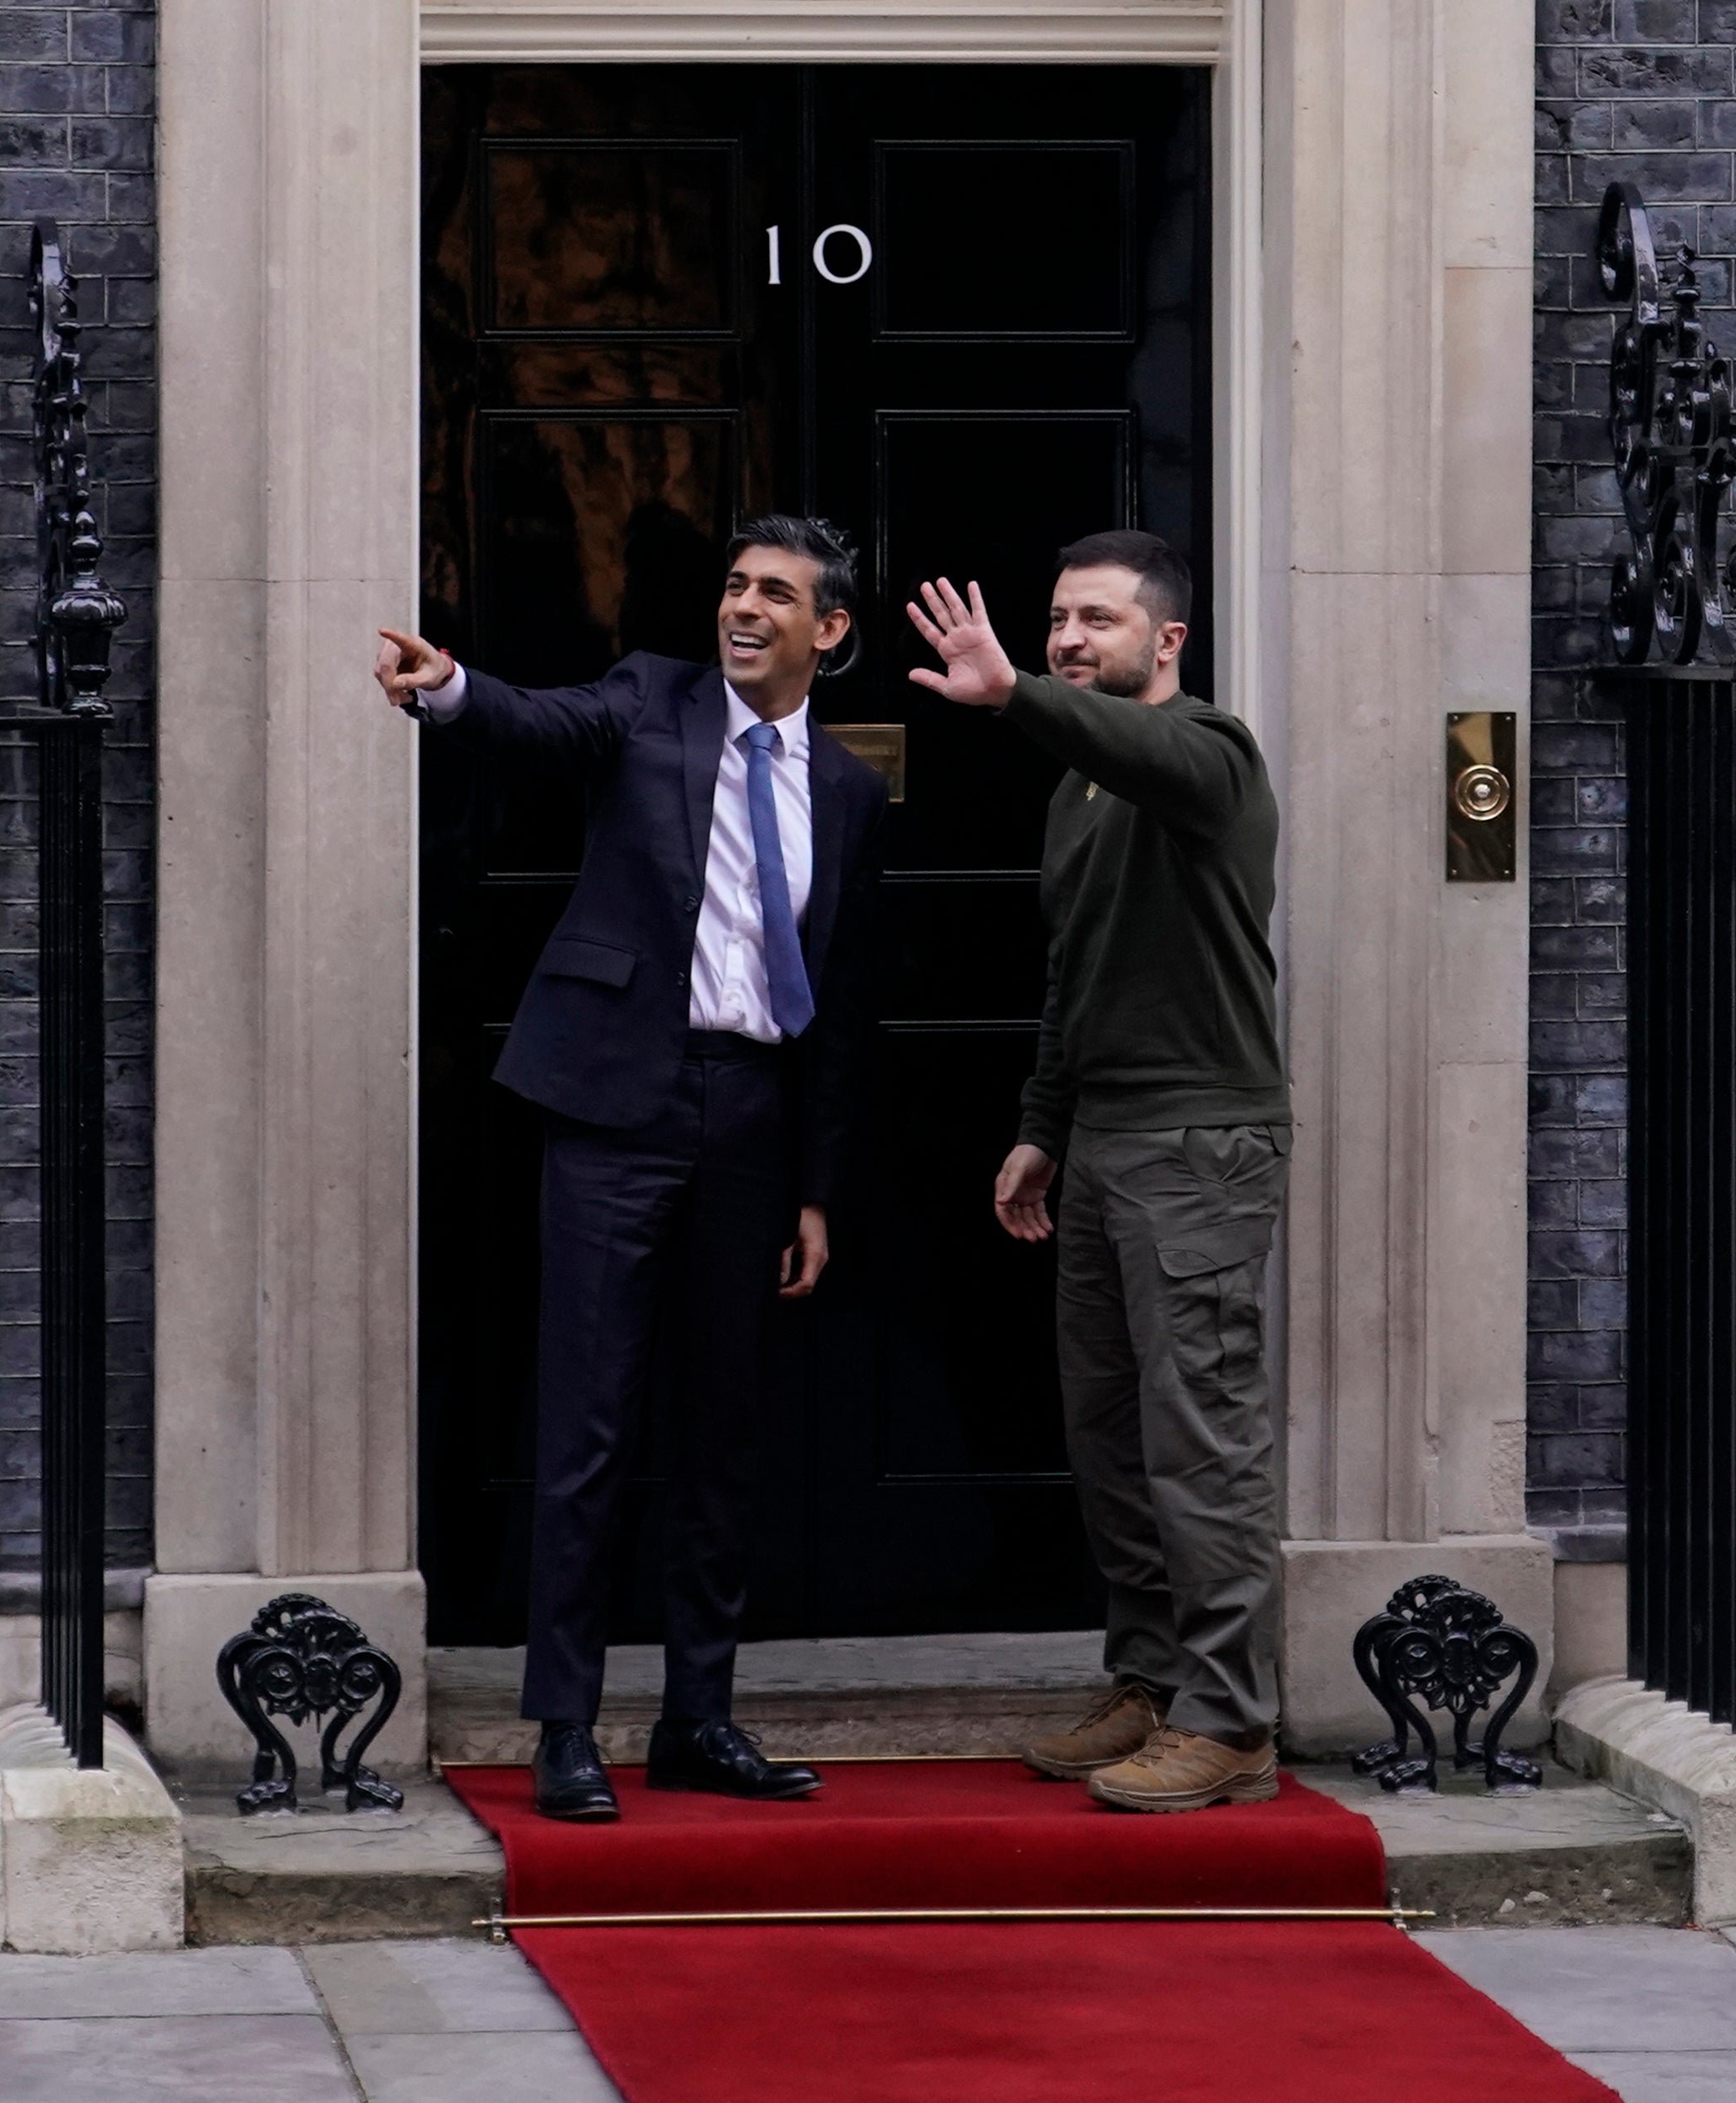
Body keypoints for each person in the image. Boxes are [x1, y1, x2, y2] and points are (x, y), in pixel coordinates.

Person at [376, 515, 892, 1822]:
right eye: (735, 584)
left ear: (829, 629)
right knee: (589, 1424)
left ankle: (698, 1717)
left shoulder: (844, 788)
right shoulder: (651, 698)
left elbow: (842, 1002)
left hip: (754, 1118)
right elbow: (540, 722)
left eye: (777, 593)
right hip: (617, 1104)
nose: (746, 607)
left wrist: (816, 1187)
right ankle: (566, 1724)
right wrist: (449, 692)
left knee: (721, 1433)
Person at [904, 532, 1285, 1812]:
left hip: (1201, 1147)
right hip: (1108, 1138)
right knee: (1112, 1440)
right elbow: (1073, 973)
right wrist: (1040, 1123)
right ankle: (1154, 1680)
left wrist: (1017, 693)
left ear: (1166, 641)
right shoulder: (1075, 789)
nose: (1069, 638)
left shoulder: (1211, 755)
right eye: (1057, 618)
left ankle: (1233, 1719)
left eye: (1098, 622)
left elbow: (1149, 748)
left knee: (1203, 1443)